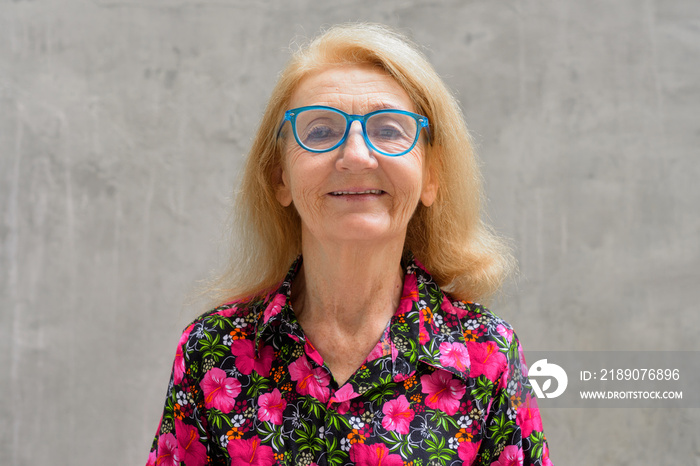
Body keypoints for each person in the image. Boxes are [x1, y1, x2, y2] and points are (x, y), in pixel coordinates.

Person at [147, 23, 553, 466]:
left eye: (389, 129)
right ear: (280, 177)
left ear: (431, 176)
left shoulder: (486, 353)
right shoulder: (213, 352)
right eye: (320, 132)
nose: (356, 155)